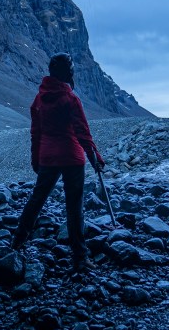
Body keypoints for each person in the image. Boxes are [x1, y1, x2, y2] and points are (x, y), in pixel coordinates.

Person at [12, 52, 105, 272]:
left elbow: (36, 133)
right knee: (74, 208)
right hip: (71, 157)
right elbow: (83, 132)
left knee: (36, 200)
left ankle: (16, 243)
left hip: (48, 157)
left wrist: (36, 159)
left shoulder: (39, 99)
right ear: (68, 72)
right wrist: (95, 158)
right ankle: (80, 257)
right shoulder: (70, 98)